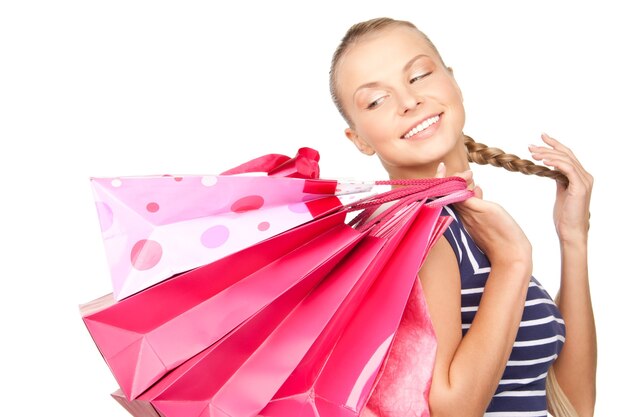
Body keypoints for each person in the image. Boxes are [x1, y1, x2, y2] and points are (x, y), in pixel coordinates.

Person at [329, 17, 596, 417]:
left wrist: (572, 237)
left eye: (418, 75)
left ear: (454, 82)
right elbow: (452, 412)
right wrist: (512, 262)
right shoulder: (416, 234)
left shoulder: (468, 228)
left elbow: (571, 404)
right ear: (359, 140)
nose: (408, 101)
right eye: (376, 100)